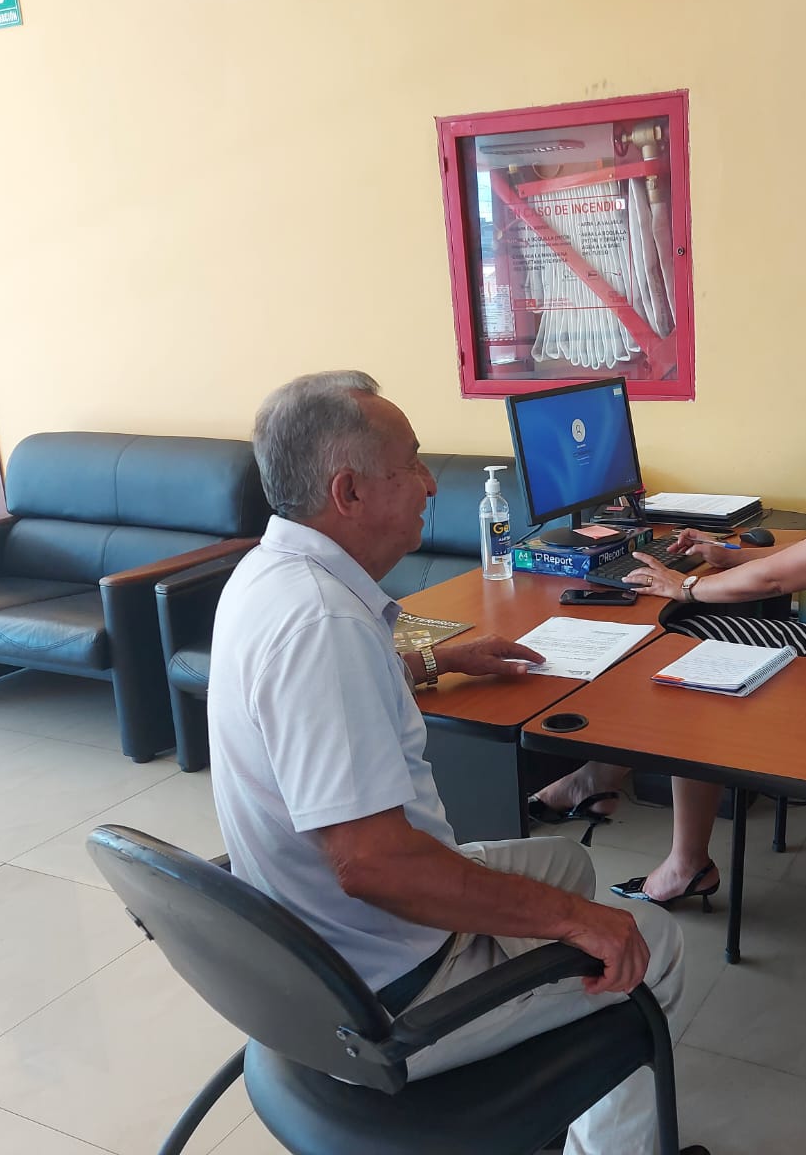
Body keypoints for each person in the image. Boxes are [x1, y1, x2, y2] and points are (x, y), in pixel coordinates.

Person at [207, 371, 704, 1155]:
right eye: (409, 463)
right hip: (392, 994)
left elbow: (319, 707)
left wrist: (438, 660)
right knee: (650, 939)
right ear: (348, 492)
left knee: (566, 866)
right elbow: (374, 865)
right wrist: (579, 923)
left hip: (319, 946)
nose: (430, 484)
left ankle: (576, 1085)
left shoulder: (271, 579)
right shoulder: (324, 625)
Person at [531, 332, 806, 907]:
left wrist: (686, 585)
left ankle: (677, 855)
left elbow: (776, 582)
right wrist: (726, 556)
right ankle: (603, 781)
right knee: (688, 639)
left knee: (683, 653)